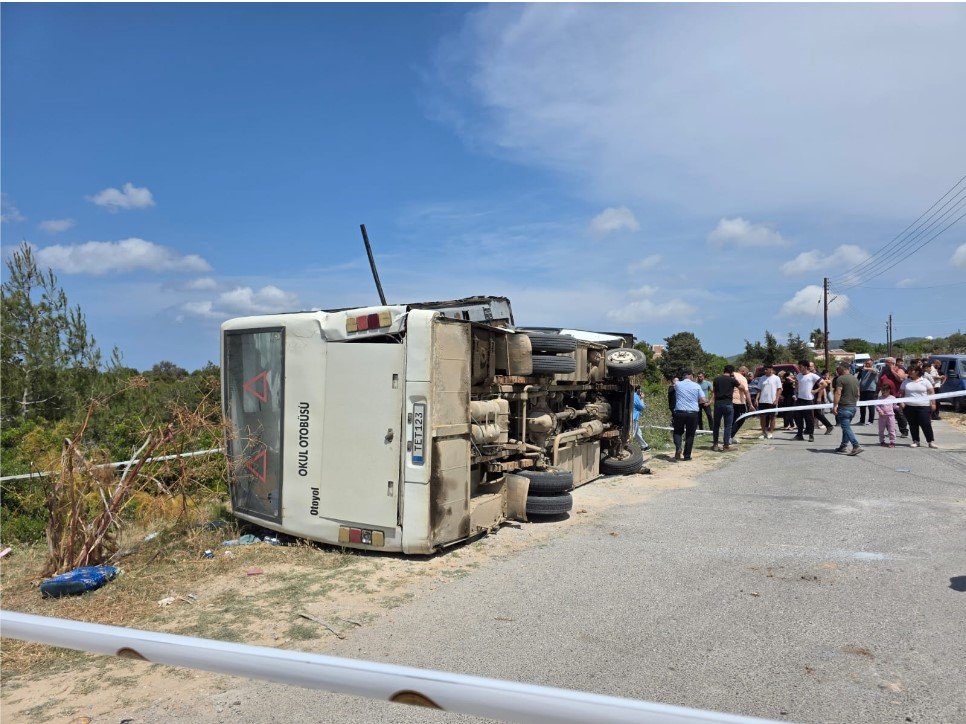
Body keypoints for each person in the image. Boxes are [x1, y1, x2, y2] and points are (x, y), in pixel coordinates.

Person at [671, 370, 707, 461]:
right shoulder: (697, 385)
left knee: (677, 432)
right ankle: (687, 456)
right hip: (693, 413)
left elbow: (673, 387)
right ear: (691, 376)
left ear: (683, 376)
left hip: (680, 412)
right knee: (690, 434)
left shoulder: (678, 384)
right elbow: (703, 399)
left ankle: (678, 447)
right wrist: (696, 402)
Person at [900, 366, 938, 448]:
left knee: (926, 424)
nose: (909, 372)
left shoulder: (925, 381)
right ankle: (916, 441)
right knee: (913, 424)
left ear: (917, 372)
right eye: (908, 370)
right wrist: (901, 402)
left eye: (911, 370)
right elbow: (901, 393)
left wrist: (933, 403)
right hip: (909, 407)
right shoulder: (905, 382)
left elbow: (931, 392)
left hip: (923, 406)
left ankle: (930, 441)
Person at [831, 363, 862, 455]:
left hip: (844, 406)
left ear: (842, 368)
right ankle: (843, 445)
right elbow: (858, 393)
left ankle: (856, 445)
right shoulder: (855, 379)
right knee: (846, 427)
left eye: (838, 369)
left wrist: (835, 405)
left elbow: (838, 393)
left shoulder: (840, 379)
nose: (837, 371)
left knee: (846, 427)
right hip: (853, 406)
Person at [711, 365, 741, 452]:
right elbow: (741, 388)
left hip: (718, 404)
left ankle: (715, 444)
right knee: (728, 426)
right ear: (731, 372)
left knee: (716, 425)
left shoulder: (716, 379)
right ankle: (726, 446)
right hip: (728, 404)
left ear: (724, 370)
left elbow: (714, 391)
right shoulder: (732, 380)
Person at [878, 358, 909, 438]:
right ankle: (890, 430)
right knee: (887, 413)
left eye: (887, 362)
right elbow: (879, 381)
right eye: (885, 362)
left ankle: (904, 431)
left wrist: (892, 371)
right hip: (886, 396)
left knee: (899, 414)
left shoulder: (899, 369)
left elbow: (901, 379)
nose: (885, 364)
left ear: (892, 363)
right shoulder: (884, 370)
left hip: (896, 396)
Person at [793, 359, 823, 442]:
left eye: (800, 366)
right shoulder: (798, 375)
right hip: (799, 399)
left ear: (806, 367)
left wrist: (816, 391)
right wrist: (795, 394)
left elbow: (824, 383)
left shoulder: (813, 375)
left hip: (808, 400)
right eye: (799, 366)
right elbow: (796, 385)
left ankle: (811, 435)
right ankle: (799, 434)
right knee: (798, 418)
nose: (799, 368)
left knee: (809, 419)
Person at [729, 365, 755, 442]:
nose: (746, 375)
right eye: (746, 373)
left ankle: (730, 436)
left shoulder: (731, 374)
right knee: (741, 419)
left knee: (732, 420)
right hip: (739, 402)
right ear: (743, 371)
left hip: (729, 401)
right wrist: (750, 404)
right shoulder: (742, 378)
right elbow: (746, 392)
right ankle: (730, 436)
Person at [756, 365, 782, 439]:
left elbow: (779, 389)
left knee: (772, 417)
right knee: (762, 417)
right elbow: (759, 390)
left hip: (772, 400)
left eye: (766, 369)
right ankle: (763, 432)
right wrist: (757, 399)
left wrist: (776, 399)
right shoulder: (762, 378)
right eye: (764, 369)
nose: (765, 371)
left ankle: (770, 432)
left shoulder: (776, 378)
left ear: (771, 369)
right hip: (763, 401)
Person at [857, 359, 878, 425]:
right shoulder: (862, 370)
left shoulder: (873, 370)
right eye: (866, 363)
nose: (867, 364)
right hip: (862, 390)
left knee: (871, 406)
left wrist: (867, 368)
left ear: (872, 364)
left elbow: (874, 371)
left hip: (871, 390)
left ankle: (870, 421)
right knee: (862, 406)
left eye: (869, 363)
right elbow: (858, 379)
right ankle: (862, 420)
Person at [632, 386, 650, 452]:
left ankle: (645, 446)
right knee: (633, 433)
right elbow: (642, 407)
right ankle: (627, 446)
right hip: (634, 417)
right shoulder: (635, 396)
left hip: (634, 416)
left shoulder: (633, 395)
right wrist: (642, 398)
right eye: (640, 390)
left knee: (637, 433)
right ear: (638, 390)